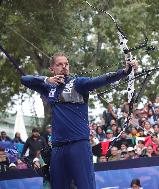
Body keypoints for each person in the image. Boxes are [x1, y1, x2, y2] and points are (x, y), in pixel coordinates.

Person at [21, 52, 138, 189]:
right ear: (52, 69)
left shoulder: (78, 83)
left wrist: (124, 72)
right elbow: (24, 79)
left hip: (79, 145)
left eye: (66, 64)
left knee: (85, 185)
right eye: (59, 64)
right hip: (58, 147)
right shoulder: (48, 87)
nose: (64, 67)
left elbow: (100, 80)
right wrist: (47, 80)